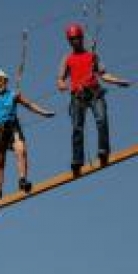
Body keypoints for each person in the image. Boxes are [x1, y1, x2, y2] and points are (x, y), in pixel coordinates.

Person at [57, 23, 131, 175]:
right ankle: (77, 160)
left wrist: (118, 81)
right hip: (78, 96)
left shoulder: (92, 55)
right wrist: (62, 85)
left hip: (94, 92)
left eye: (77, 38)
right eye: (72, 39)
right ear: (68, 41)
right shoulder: (67, 59)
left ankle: (103, 150)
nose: (75, 41)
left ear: (82, 38)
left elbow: (103, 74)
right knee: (77, 127)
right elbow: (60, 79)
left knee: (102, 119)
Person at [0, 69, 55, 206]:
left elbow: (29, 105)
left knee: (21, 150)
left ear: (2, 80)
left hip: (12, 126)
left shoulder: (14, 94)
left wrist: (43, 113)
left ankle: (22, 180)